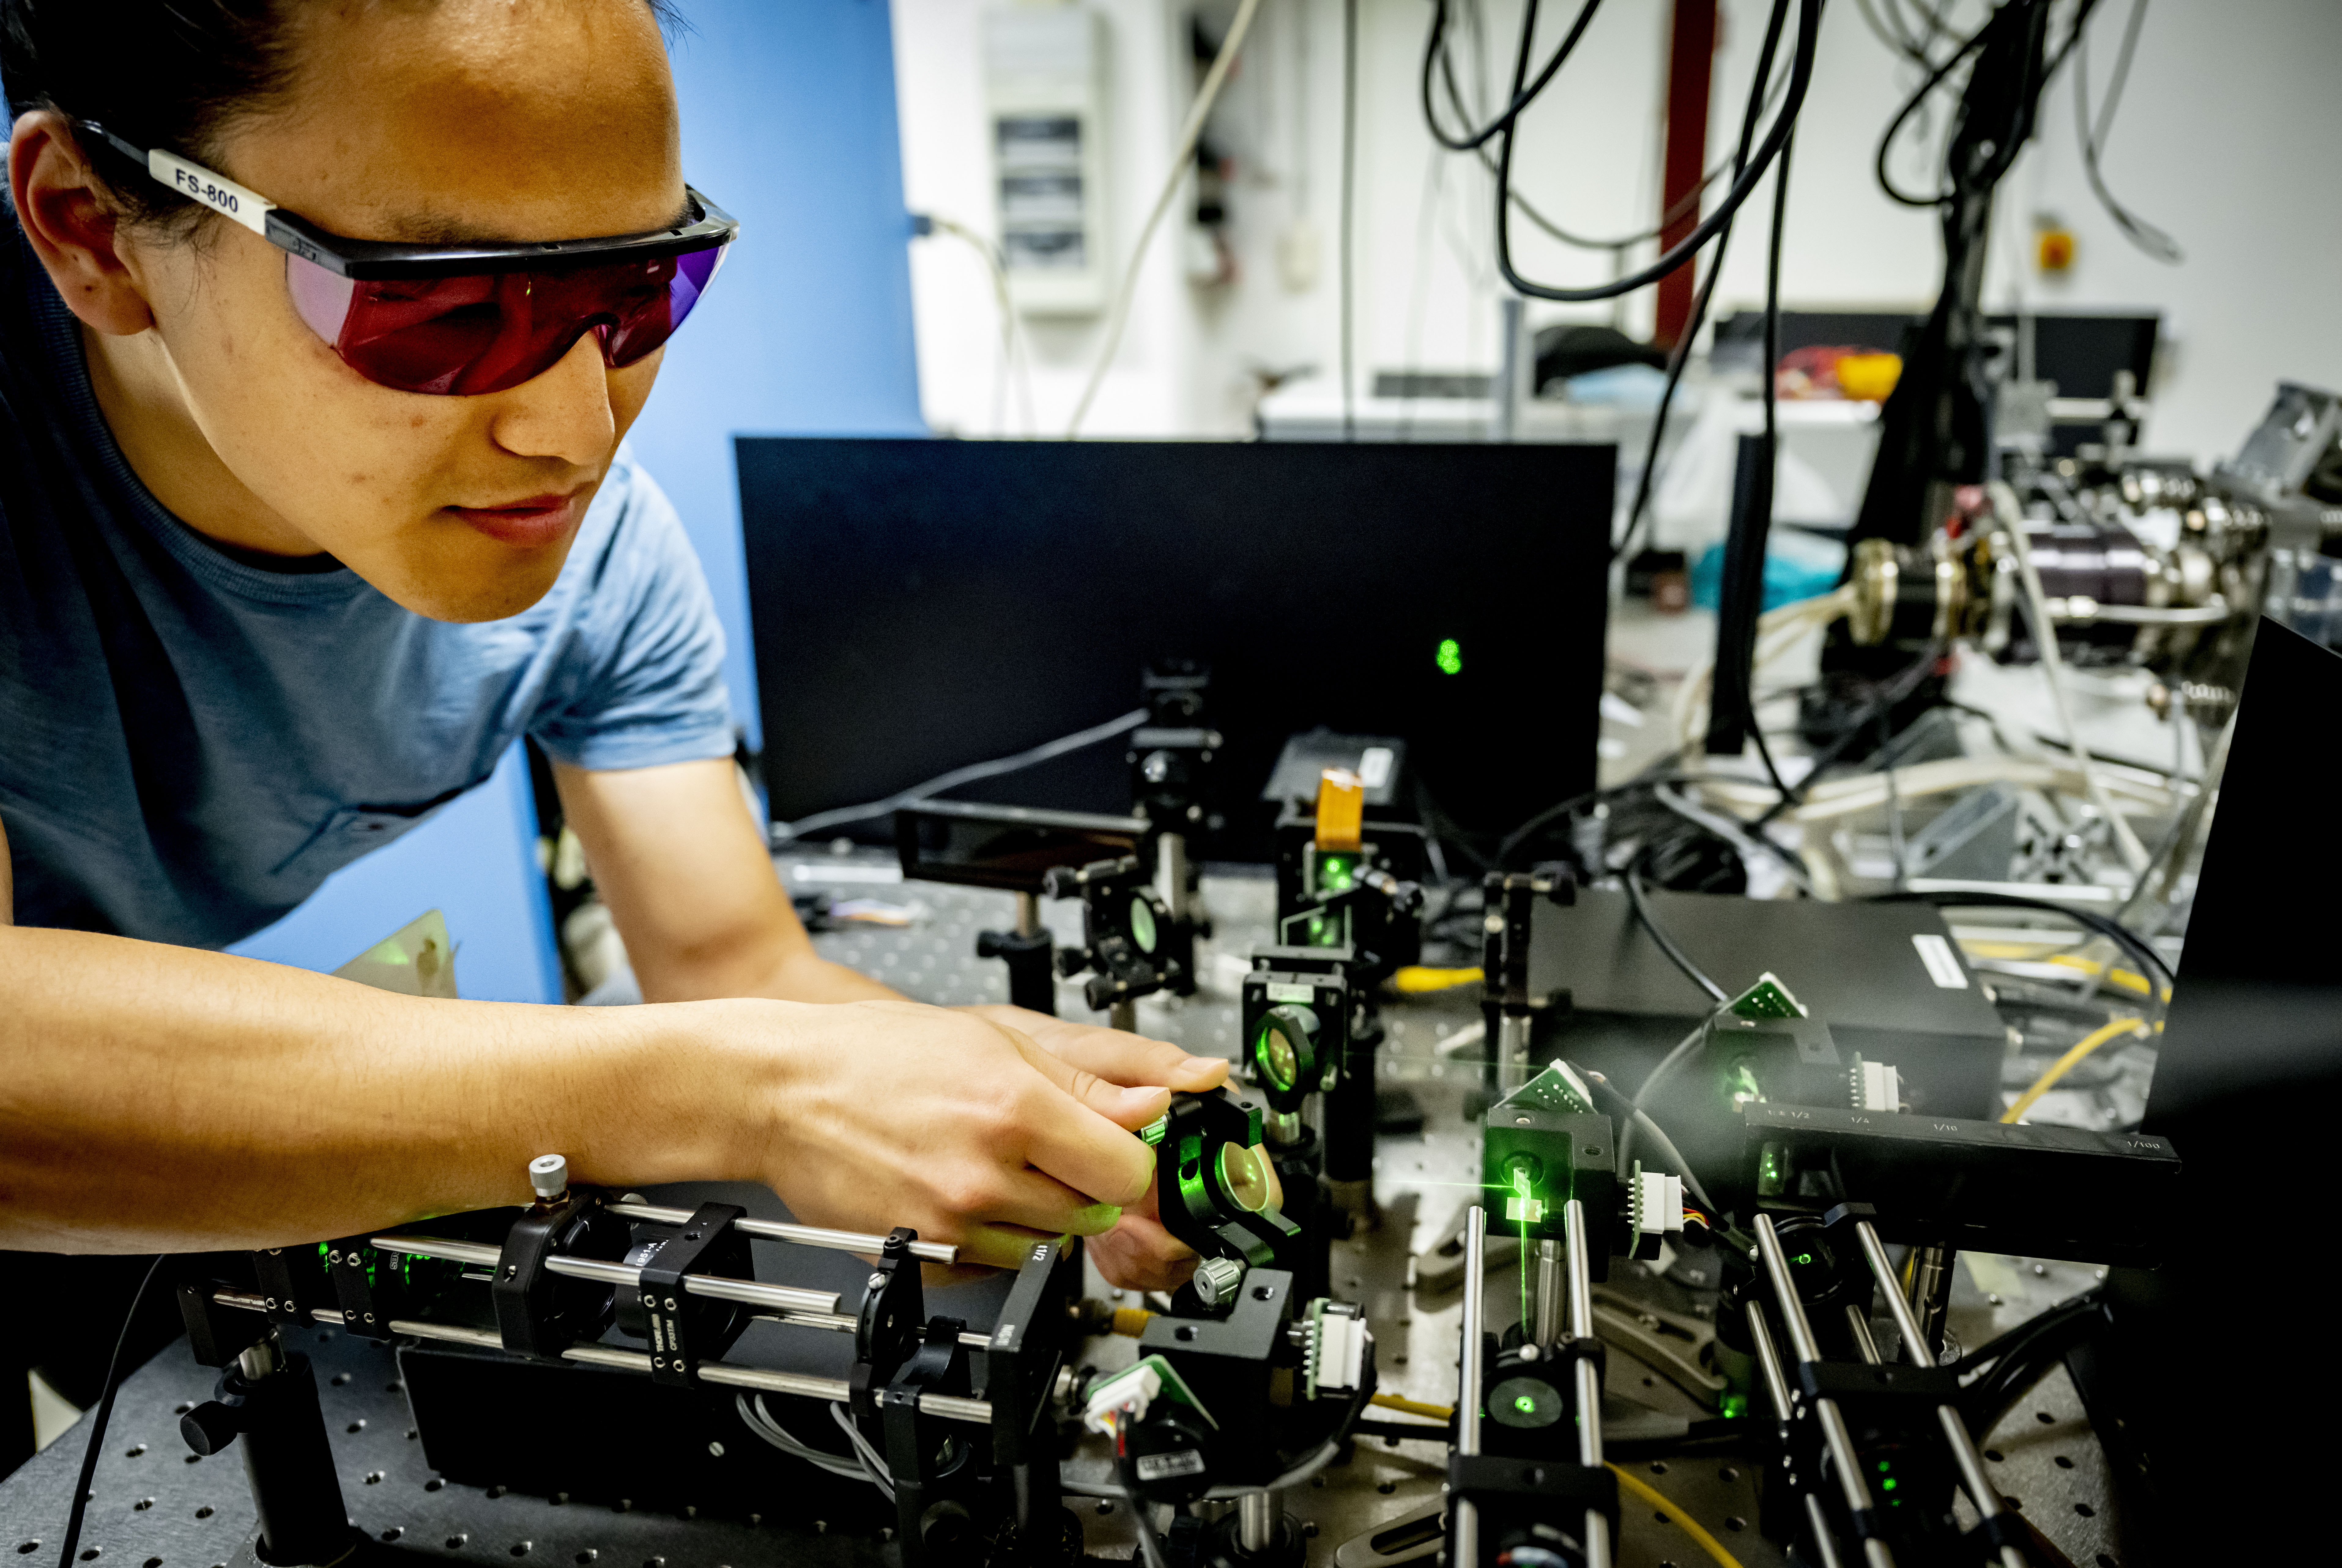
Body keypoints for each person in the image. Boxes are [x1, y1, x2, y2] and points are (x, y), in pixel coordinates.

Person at [0, 0, 1223, 1435]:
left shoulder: (599, 557)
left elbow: (728, 960)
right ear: (90, 230)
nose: (577, 431)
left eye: (639, 295)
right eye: (443, 309)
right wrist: (746, 1087)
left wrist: (1008, 1095)